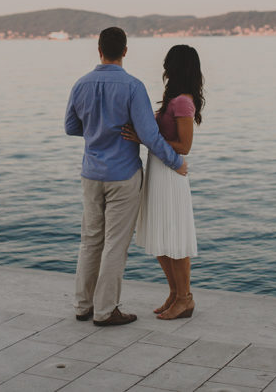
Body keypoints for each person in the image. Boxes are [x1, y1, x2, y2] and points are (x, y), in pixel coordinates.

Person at [65, 27, 188, 327]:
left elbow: (71, 127)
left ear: (99, 50)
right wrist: (175, 161)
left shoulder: (81, 84)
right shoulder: (133, 87)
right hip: (123, 175)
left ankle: (83, 306)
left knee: (90, 241)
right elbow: (148, 134)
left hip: (91, 173)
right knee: (115, 245)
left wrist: (96, 132)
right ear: (125, 50)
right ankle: (105, 311)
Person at [123, 44, 204, 320]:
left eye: (168, 63)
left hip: (171, 176)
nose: (164, 68)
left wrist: (144, 138)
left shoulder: (182, 101)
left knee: (175, 238)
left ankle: (185, 299)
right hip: (159, 171)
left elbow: (184, 146)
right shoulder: (172, 99)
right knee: (161, 237)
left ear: (175, 67)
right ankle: (174, 293)